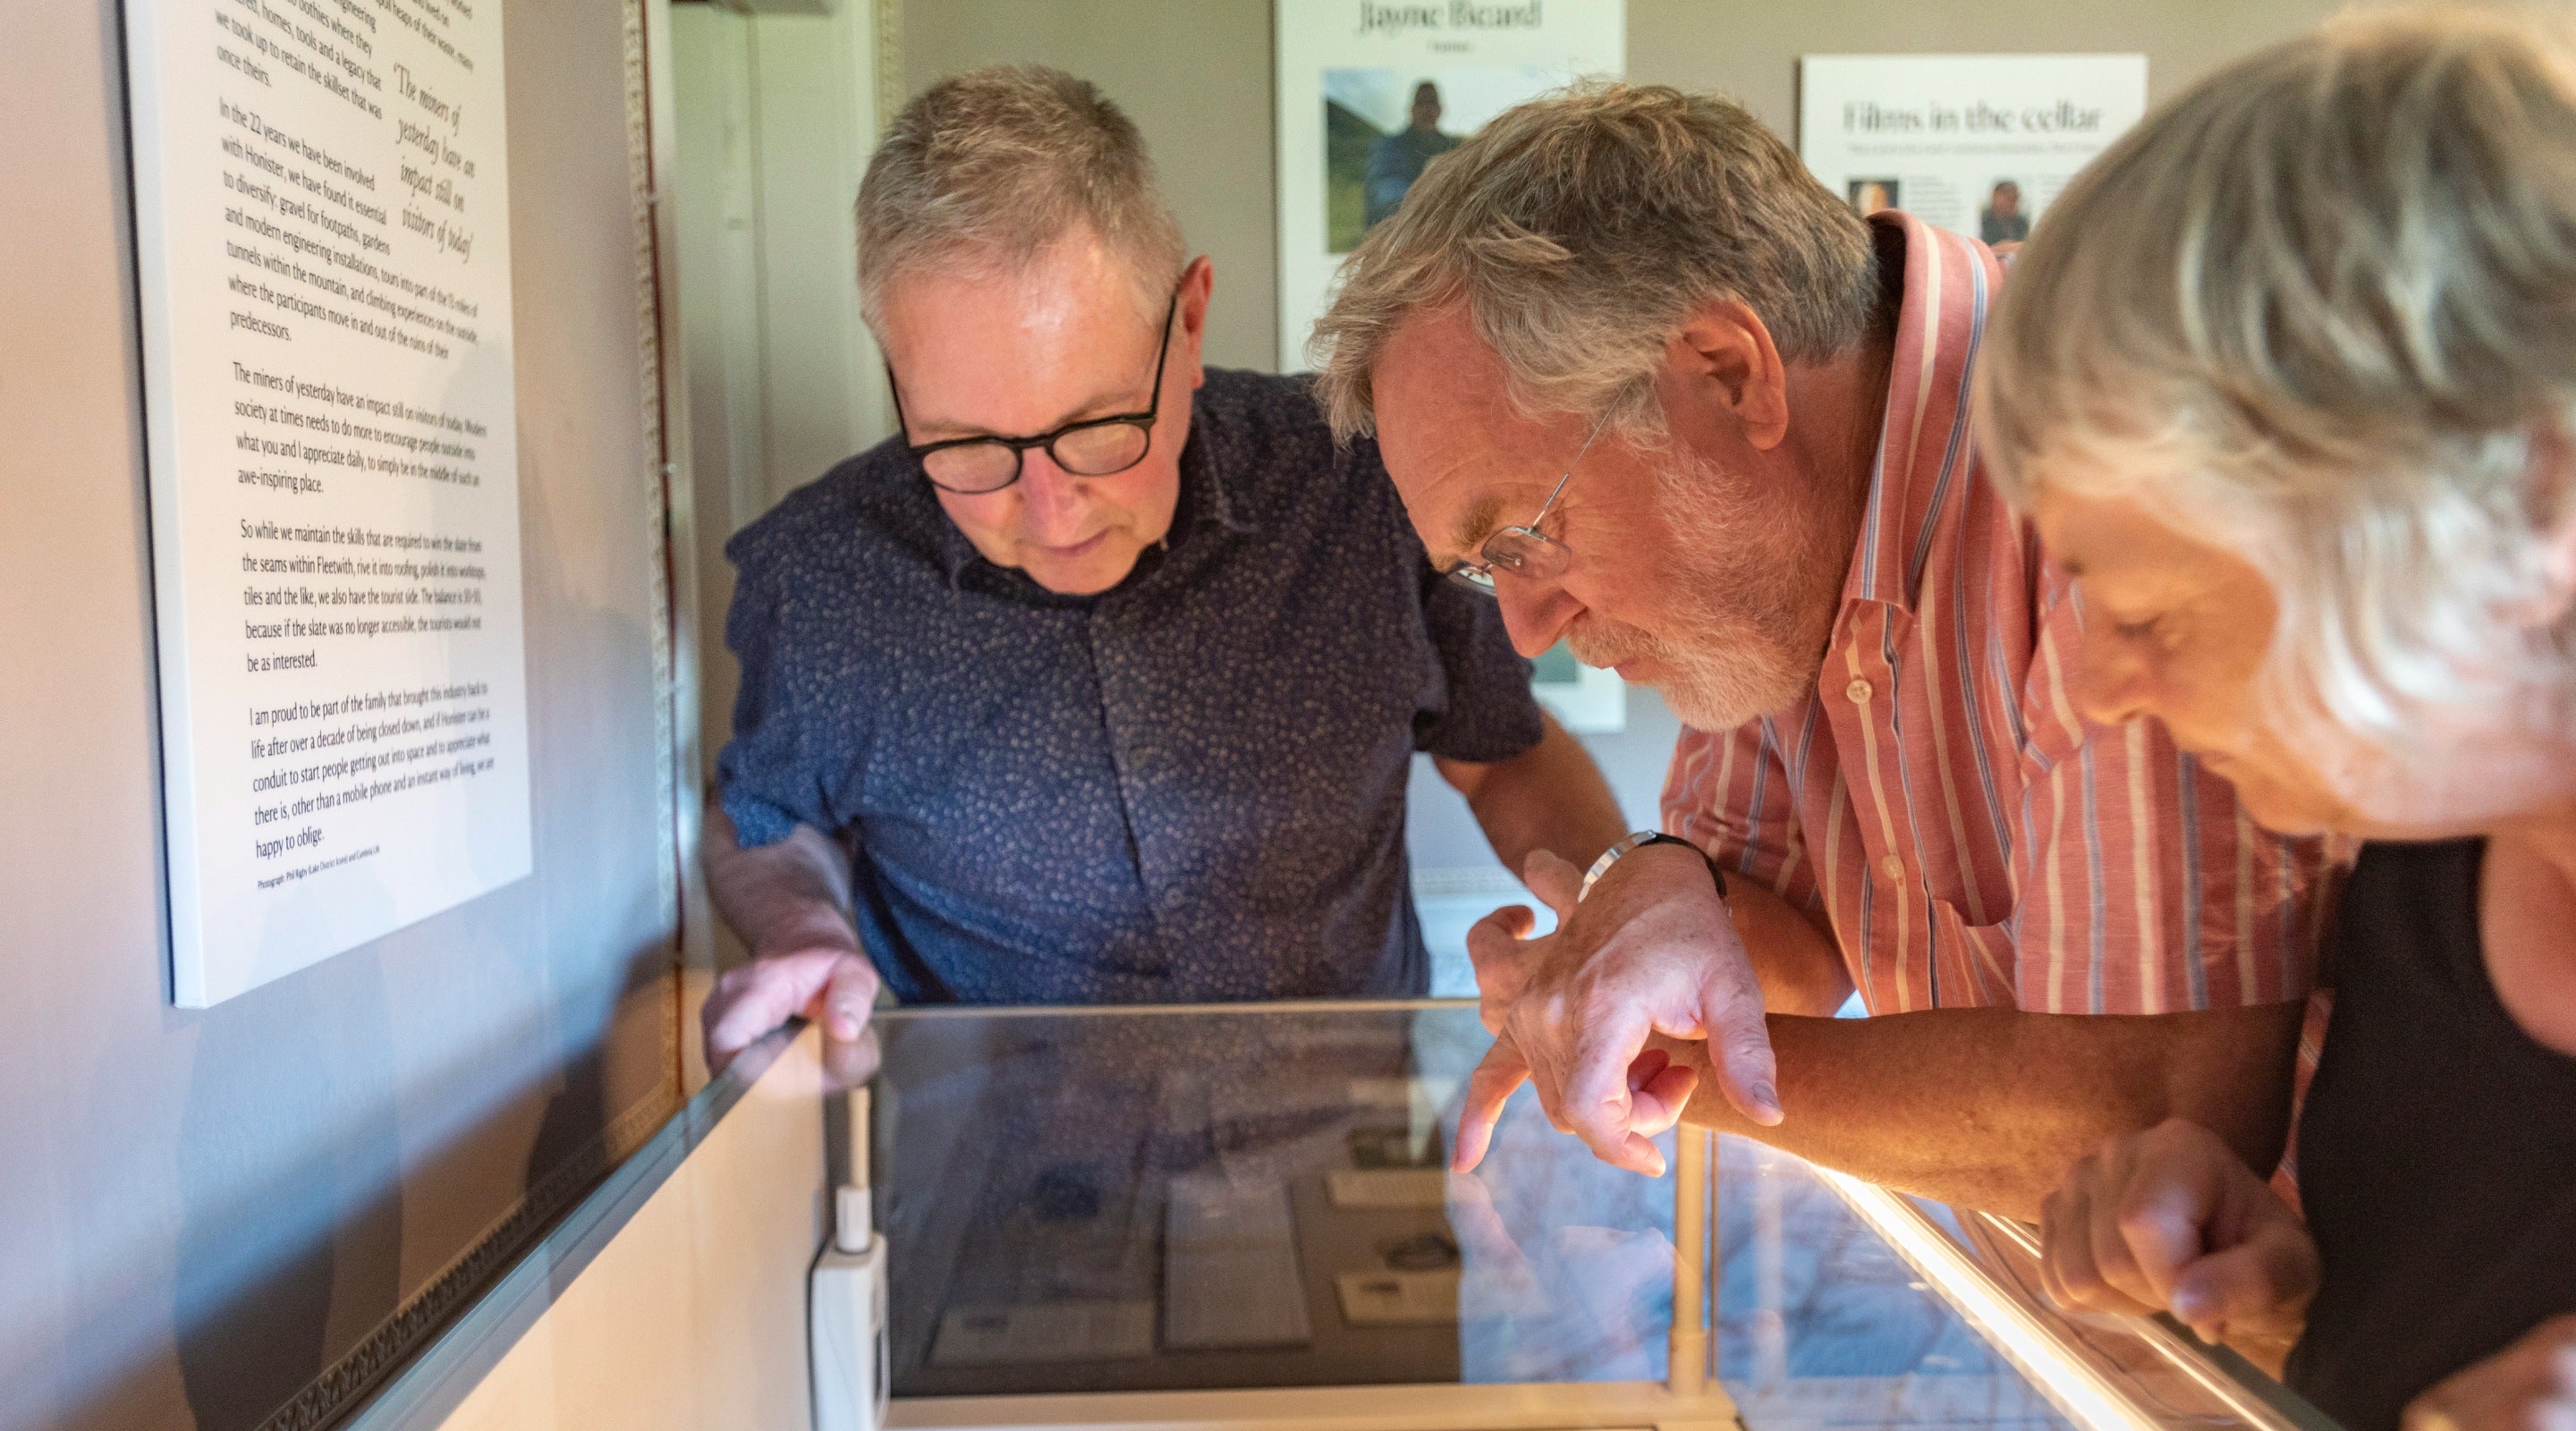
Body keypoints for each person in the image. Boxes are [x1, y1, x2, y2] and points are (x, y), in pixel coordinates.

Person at [1310, 82, 2328, 1216]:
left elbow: (2154, 1116)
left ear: (1728, 372)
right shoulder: (1774, 542)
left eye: (1526, 537)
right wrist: (1649, 900)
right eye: (1484, 566)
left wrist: (1654, 1066)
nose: (1527, 628)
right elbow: (1776, 935)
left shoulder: (2111, 445)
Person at [701, 66, 1625, 1068]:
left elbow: (1505, 752)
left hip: (1341, 1153)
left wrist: (1613, 924)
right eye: (966, 446)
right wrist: (803, 927)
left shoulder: (1365, 487)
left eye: (1098, 428)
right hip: (991, 1177)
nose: (1049, 509)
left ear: (1188, 322)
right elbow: (766, 818)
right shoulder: (825, 573)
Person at [1972, 14, 2576, 1431]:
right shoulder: (2431, 865)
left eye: (2151, 616)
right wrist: (2299, 1293)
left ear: (2532, 499)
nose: (2101, 692)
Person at [1364, 81, 1461, 230]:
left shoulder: (1453, 147)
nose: (1427, 110)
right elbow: (1384, 191)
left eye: (1432, 103)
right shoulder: (1388, 147)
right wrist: (1427, 187)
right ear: (1412, 109)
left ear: (1440, 110)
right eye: (1422, 103)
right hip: (1397, 234)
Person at [1979, 179, 2028, 245]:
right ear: (1995, 196)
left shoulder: (2021, 224)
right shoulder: (1982, 221)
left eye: (2015, 198)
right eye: (2008, 198)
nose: (2012, 203)